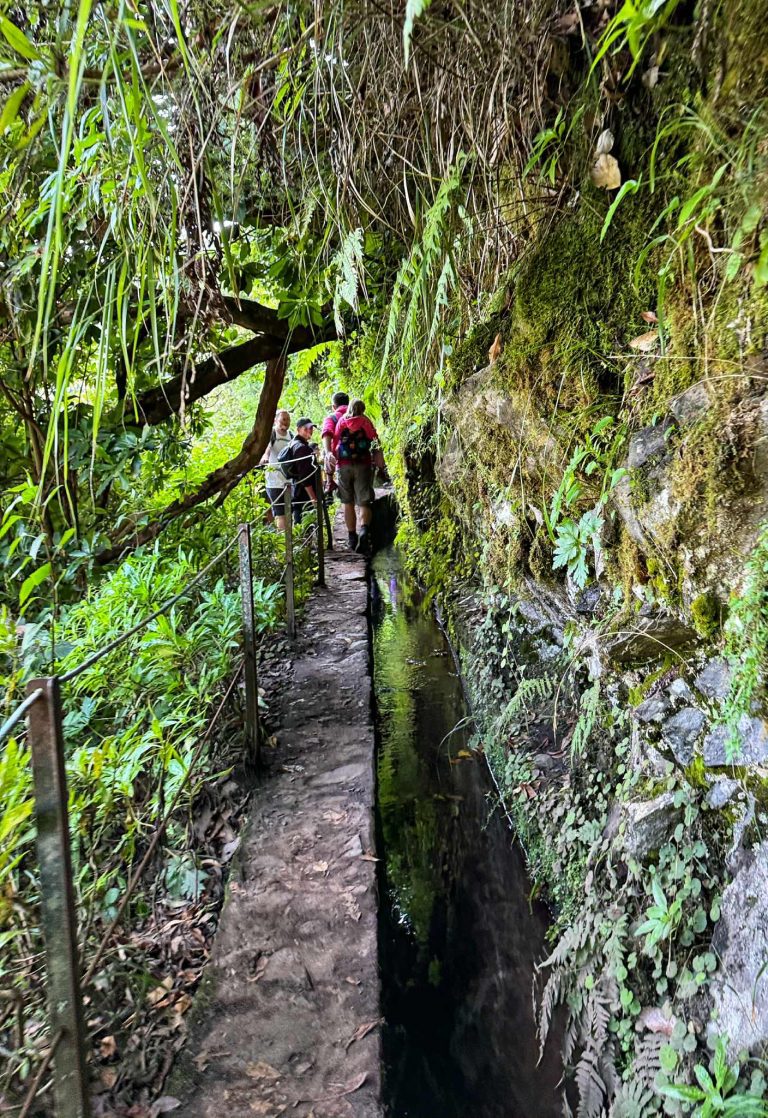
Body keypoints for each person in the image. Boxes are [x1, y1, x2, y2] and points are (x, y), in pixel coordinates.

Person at [332, 399, 380, 552]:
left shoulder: (342, 421)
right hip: (363, 464)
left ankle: (352, 537)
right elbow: (375, 441)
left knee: (347, 502)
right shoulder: (366, 421)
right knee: (364, 501)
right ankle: (364, 530)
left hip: (344, 465)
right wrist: (379, 462)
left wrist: (333, 460)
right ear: (363, 409)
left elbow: (335, 441)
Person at [280, 417, 319, 524]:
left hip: (297, 489)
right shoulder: (301, 448)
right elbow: (304, 476)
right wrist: (313, 498)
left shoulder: (295, 444)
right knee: (305, 523)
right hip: (303, 493)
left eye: (311, 428)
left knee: (302, 521)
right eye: (306, 428)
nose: (309, 430)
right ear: (298, 430)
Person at [259, 409, 292, 530]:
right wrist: (265, 457)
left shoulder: (291, 436)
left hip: (289, 480)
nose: (286, 422)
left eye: (288, 419)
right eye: (284, 419)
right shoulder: (271, 434)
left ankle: (290, 542)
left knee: (289, 512)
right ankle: (283, 544)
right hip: (274, 481)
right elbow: (267, 449)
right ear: (275, 420)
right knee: (280, 513)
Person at [321, 391, 350, 493]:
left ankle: (329, 482)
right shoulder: (359, 414)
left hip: (343, 460)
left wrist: (328, 452)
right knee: (363, 502)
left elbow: (326, 433)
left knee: (347, 501)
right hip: (362, 458)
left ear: (334, 406)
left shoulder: (332, 418)